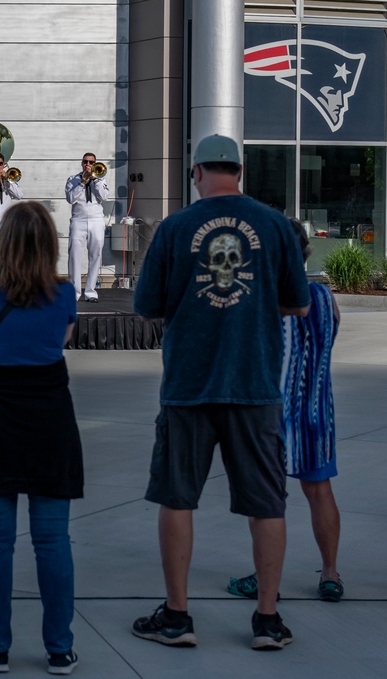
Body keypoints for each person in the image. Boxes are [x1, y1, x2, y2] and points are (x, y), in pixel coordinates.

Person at [131, 135, 311, 650]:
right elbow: (298, 305)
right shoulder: (276, 225)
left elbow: (147, 306)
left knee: (177, 498)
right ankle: (268, 620)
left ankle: (177, 617)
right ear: (241, 169)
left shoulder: (175, 227)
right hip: (254, 386)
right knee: (267, 504)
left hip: (189, 386)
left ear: (196, 173)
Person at [0, 201, 83, 675]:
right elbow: (62, 341)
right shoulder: (65, 292)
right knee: (52, 539)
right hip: (50, 416)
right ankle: (59, 648)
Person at [227, 218, 344, 603]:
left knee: (264, 502)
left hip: (271, 415)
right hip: (315, 412)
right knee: (320, 491)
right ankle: (330, 573)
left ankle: (265, 581)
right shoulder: (326, 298)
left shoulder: (263, 299)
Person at [65, 153, 109, 303]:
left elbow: (104, 197)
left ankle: (91, 292)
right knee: (74, 256)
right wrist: (83, 182)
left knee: (95, 256)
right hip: (79, 220)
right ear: (81, 163)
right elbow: (71, 198)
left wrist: (95, 180)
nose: (88, 164)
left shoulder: (101, 179)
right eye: (86, 161)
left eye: (91, 162)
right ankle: (75, 293)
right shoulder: (73, 179)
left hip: (96, 220)